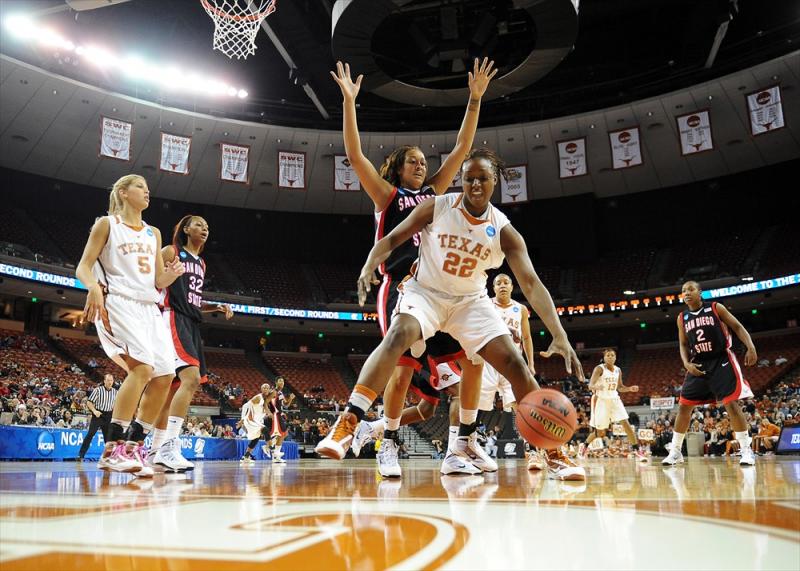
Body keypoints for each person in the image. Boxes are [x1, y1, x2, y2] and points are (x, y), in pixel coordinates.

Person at [316, 148, 585, 481]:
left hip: (470, 302)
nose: (474, 184)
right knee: (399, 335)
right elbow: (393, 237)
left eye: (482, 178)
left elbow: (530, 283)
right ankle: (349, 423)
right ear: (461, 180)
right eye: (468, 178)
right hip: (425, 293)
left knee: (514, 363)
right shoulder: (439, 206)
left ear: (494, 181)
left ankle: (553, 451)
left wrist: (559, 334)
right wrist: (371, 261)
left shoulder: (502, 229)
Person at [329, 58, 497, 478]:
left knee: (468, 367)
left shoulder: (437, 196)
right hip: (402, 290)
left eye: (424, 161)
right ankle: (387, 444)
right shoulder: (387, 196)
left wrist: (474, 100)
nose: (422, 165)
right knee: (400, 374)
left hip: (439, 290)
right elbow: (354, 154)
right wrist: (350, 103)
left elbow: (460, 149)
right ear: (398, 168)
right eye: (414, 161)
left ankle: (460, 449)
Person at [75, 174, 184, 477]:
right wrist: (93, 287)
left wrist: (171, 275)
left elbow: (157, 280)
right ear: (123, 193)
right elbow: (83, 265)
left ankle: (135, 446)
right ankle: (112, 449)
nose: (147, 191)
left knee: (164, 375)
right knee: (142, 369)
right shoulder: (107, 224)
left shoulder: (154, 233)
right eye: (140, 186)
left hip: (149, 307)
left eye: (148, 188)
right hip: (119, 301)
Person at [143, 215, 233, 472]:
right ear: (185, 229)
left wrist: (214, 307)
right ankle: (171, 445)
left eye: (207, 226)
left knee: (171, 389)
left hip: (191, 322)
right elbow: (152, 280)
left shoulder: (202, 263)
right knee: (190, 379)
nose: (204, 228)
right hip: (172, 317)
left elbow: (194, 300)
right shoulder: (171, 251)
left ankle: (156, 450)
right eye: (198, 224)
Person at [663, 281, 757, 467]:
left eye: (690, 289)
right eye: (683, 291)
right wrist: (686, 363)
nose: (686, 293)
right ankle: (675, 451)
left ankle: (746, 450)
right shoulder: (682, 318)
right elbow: (683, 344)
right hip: (699, 362)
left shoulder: (715, 308)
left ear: (700, 292)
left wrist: (751, 346)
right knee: (683, 407)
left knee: (731, 403)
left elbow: (737, 326)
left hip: (721, 359)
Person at [581, 349, 647, 461]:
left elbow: (620, 387)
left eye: (612, 355)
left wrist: (629, 388)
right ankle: (585, 446)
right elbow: (590, 385)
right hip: (601, 401)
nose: (610, 357)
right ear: (604, 357)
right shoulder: (599, 369)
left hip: (615, 399)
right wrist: (596, 387)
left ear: (615, 357)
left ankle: (637, 451)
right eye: (608, 355)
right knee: (600, 432)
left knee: (626, 424)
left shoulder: (618, 370)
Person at [77, 374, 117, 461]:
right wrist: (94, 411)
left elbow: (115, 405)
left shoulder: (115, 392)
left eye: (111, 380)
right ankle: (81, 455)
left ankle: (108, 457)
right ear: (104, 381)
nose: (110, 382)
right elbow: (89, 402)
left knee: (108, 438)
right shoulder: (98, 390)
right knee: (90, 434)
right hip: (98, 414)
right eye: (108, 380)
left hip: (109, 415)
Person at [239, 383, 277, 464]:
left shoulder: (265, 400)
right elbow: (245, 406)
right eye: (264, 388)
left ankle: (245, 457)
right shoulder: (258, 398)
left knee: (256, 439)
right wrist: (242, 419)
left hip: (256, 421)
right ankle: (273, 453)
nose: (266, 389)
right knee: (265, 430)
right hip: (250, 420)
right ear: (261, 389)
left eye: (267, 388)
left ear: (269, 389)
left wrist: (268, 413)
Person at [266, 376, 295, 463]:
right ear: (276, 382)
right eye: (280, 381)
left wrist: (290, 399)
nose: (282, 382)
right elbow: (266, 402)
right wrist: (269, 412)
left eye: (283, 381)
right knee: (282, 433)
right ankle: (274, 453)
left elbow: (286, 405)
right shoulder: (273, 391)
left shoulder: (280, 393)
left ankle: (273, 452)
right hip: (274, 415)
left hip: (279, 414)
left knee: (283, 434)